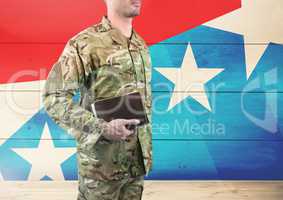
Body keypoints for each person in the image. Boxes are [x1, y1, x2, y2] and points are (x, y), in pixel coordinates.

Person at [42, 0, 152, 199]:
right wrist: (101, 127)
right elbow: (54, 97)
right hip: (101, 169)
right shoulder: (84, 43)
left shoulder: (140, 45)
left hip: (136, 165)